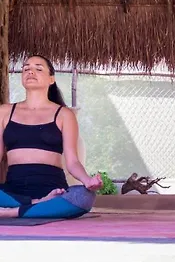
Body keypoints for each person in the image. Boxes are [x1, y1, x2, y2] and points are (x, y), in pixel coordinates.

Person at [0, 55, 103, 218]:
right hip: (13, 192)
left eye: (38, 68)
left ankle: (11, 212)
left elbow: (73, 162)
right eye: (26, 68)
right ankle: (35, 205)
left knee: (83, 197)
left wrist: (87, 181)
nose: (30, 72)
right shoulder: (4, 111)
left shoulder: (64, 114)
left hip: (53, 190)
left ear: (51, 79)